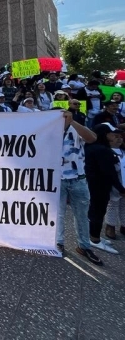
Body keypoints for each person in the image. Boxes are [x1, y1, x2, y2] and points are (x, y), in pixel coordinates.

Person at [56, 110, 102, 264]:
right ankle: (58, 243)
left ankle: (84, 246)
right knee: (58, 214)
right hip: (57, 179)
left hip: (78, 179)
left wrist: (72, 121)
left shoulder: (76, 129)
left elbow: (92, 138)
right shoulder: (49, 130)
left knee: (82, 215)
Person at [84, 123, 125, 254]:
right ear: (104, 134)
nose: (114, 135)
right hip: (99, 186)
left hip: (94, 185)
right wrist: (121, 188)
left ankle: (92, 236)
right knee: (98, 212)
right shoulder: (102, 150)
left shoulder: (92, 147)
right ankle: (94, 240)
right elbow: (109, 172)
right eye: (111, 133)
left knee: (95, 211)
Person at [105, 136, 125, 239]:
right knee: (112, 205)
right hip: (115, 184)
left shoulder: (123, 151)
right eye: (116, 137)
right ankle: (110, 226)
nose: (119, 139)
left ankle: (124, 225)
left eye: (120, 137)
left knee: (124, 205)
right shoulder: (108, 151)